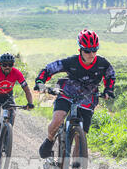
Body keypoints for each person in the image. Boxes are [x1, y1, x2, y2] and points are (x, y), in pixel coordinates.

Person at [35, 29, 116, 157]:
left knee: (81, 137)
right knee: (57, 119)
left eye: (94, 50)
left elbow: (110, 76)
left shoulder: (102, 63)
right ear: (80, 50)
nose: (91, 54)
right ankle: (50, 140)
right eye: (87, 51)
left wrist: (108, 90)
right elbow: (49, 69)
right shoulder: (71, 61)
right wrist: (40, 82)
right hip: (67, 93)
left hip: (88, 99)